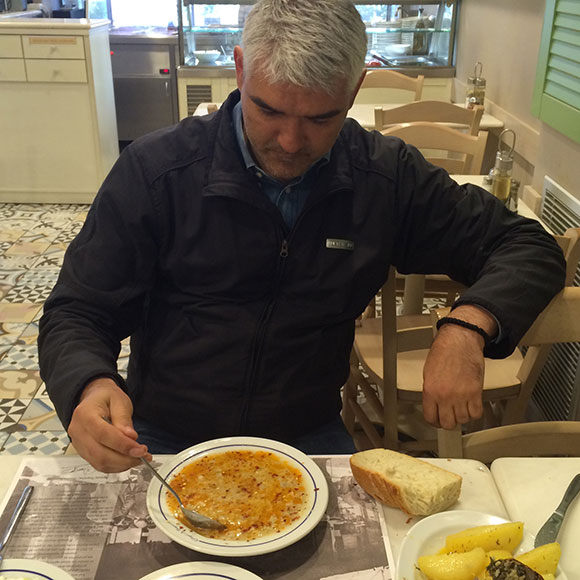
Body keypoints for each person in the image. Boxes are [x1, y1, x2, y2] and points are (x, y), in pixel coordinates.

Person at [38, 0, 566, 474]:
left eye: (321, 118)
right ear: (240, 70)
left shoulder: (384, 177)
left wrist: (466, 327)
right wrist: (88, 383)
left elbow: (529, 246)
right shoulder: (157, 171)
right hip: (164, 436)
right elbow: (78, 309)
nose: (291, 142)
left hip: (305, 435)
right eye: (268, 110)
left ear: (355, 89)